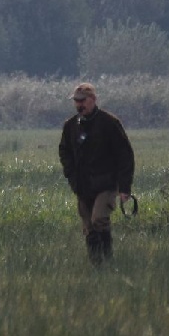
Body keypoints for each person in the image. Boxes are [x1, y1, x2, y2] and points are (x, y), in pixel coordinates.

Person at [58, 82, 135, 265]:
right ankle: (97, 266)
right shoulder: (70, 126)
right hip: (83, 186)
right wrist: (71, 175)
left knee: (99, 219)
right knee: (89, 228)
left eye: (82, 100)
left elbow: (125, 155)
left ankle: (108, 260)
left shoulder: (109, 123)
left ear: (93, 100)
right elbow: (64, 151)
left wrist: (124, 188)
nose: (79, 105)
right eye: (76, 101)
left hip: (106, 184)